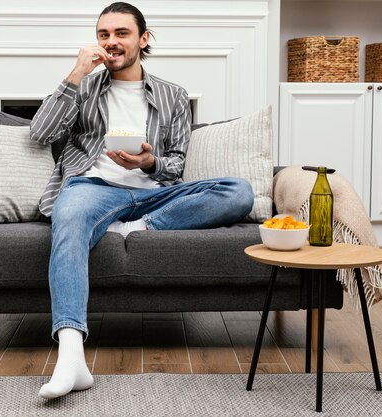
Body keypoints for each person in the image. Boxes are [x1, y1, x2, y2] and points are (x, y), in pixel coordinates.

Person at [30, 2, 254, 399]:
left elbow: (176, 167)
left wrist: (150, 162)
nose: (111, 42)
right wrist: (77, 72)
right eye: (104, 34)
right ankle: (70, 356)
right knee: (69, 214)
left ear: (143, 38)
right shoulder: (83, 87)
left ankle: (134, 228)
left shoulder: (173, 95)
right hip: (94, 187)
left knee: (239, 192)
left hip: (154, 195)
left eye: (121, 33)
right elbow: (40, 133)